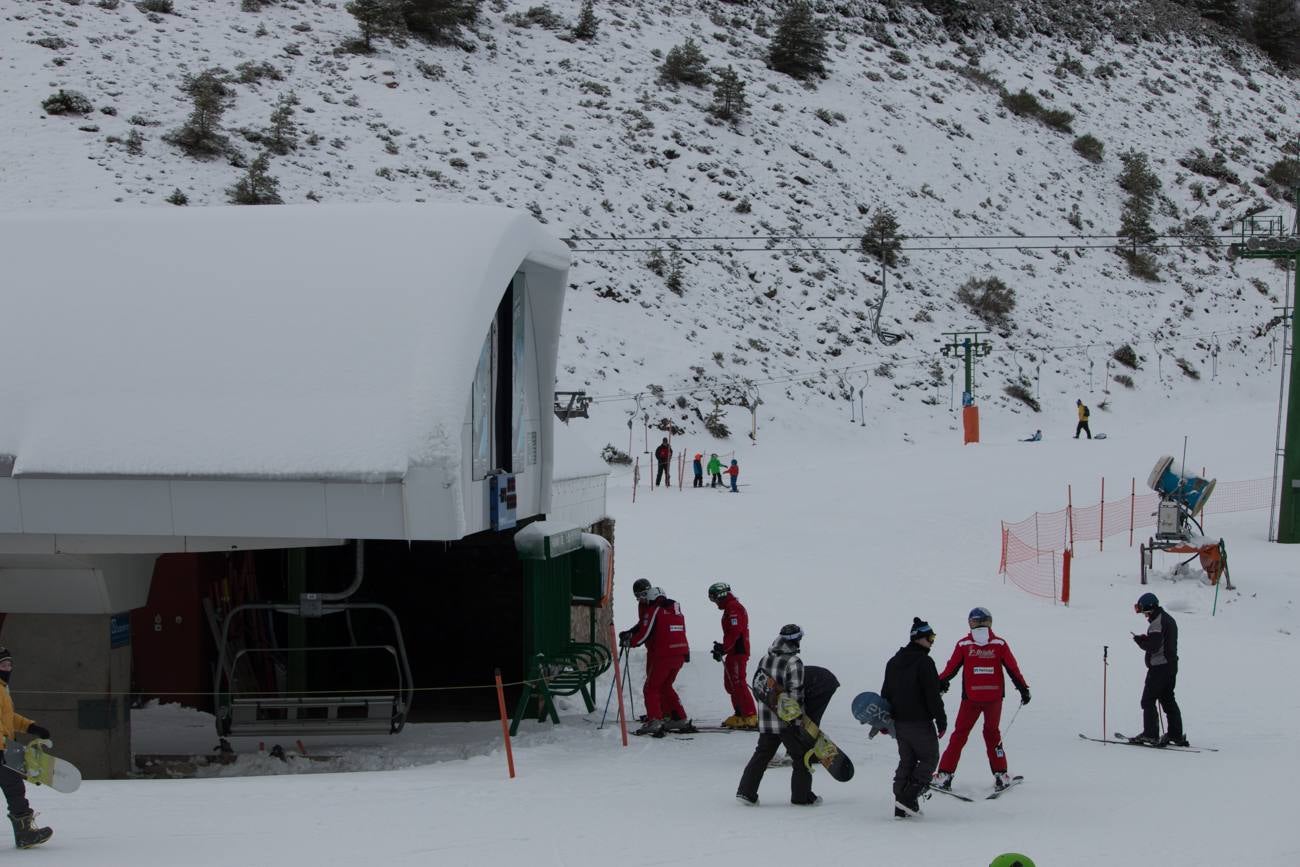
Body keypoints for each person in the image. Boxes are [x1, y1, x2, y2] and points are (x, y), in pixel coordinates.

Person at [934, 607, 1030, 792]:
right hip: (994, 698)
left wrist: (936, 684)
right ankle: (1001, 774)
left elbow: (950, 670)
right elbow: (1013, 668)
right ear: (990, 622)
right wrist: (1023, 689)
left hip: (971, 697)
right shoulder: (999, 644)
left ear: (971, 622)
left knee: (960, 734)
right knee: (993, 734)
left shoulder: (963, 645)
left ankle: (945, 775)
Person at [736, 624, 820, 806]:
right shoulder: (794, 662)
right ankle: (802, 796)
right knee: (802, 757)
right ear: (796, 640)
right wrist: (799, 720)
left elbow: (759, 688)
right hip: (788, 722)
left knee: (761, 755)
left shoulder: (764, 659)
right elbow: (796, 694)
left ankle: (746, 792)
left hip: (767, 721)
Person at [881, 618, 947, 818]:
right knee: (929, 758)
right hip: (919, 722)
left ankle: (900, 807)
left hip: (899, 723)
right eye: (930, 637)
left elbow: (886, 692)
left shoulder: (894, 661)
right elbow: (931, 695)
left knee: (907, 761)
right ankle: (908, 799)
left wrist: (885, 719)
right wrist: (941, 720)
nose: (933, 642)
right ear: (919, 638)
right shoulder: (924, 662)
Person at [619, 586, 690, 736]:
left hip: (663, 655)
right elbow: (680, 631)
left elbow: (645, 632)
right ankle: (679, 718)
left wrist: (630, 642)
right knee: (665, 686)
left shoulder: (654, 610)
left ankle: (655, 720)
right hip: (679, 654)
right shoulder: (675, 611)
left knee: (651, 688)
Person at [0, 648, 53, 849]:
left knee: (14, 788)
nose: (8, 668)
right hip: (2, 749)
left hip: (4, 748)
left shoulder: (2, 689)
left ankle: (24, 832)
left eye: (9, 665)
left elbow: (8, 718)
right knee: (14, 787)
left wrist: (31, 727)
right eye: (3, 665)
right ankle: (24, 833)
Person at [1130, 592, 1186, 747]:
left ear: (1149, 607)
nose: (1143, 614)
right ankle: (1176, 734)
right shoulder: (1168, 619)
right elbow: (1160, 641)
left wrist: (1140, 641)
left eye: (1143, 610)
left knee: (1147, 700)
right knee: (1168, 700)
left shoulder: (1157, 623)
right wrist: (1145, 639)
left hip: (1159, 668)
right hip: (1171, 666)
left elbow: (1154, 646)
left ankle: (1150, 734)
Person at [708, 582, 757, 729]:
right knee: (730, 684)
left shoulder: (734, 608)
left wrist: (724, 648)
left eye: (714, 598)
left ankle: (750, 715)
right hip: (733, 651)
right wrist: (723, 648)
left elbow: (735, 632)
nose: (714, 602)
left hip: (738, 652)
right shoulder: (730, 607)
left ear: (721, 595)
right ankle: (740, 714)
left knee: (738, 682)